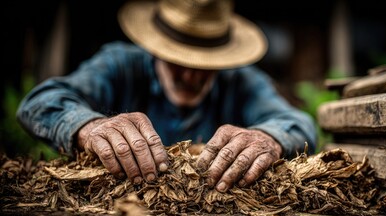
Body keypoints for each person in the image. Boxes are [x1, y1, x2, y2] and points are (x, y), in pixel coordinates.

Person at [16, 0, 317, 193]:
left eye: (205, 64)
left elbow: (297, 123)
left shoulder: (239, 79)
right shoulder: (121, 64)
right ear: (157, 46)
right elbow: (39, 101)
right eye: (180, 60)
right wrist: (88, 127)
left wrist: (267, 138)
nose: (191, 76)